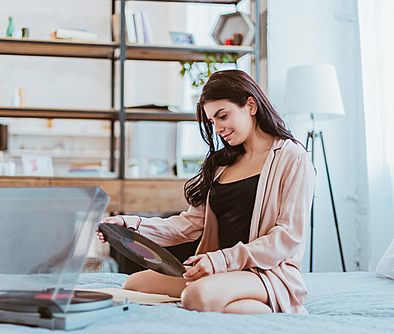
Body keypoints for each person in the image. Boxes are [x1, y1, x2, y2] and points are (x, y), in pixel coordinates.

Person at [97, 69, 315, 314]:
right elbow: (189, 225)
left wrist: (221, 260)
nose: (219, 128)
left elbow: (287, 238)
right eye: (213, 121)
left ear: (251, 105)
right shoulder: (222, 164)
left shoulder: (292, 157)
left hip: (265, 273)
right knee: (135, 284)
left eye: (223, 116)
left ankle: (281, 308)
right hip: (218, 271)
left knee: (196, 295)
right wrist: (132, 225)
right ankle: (232, 305)